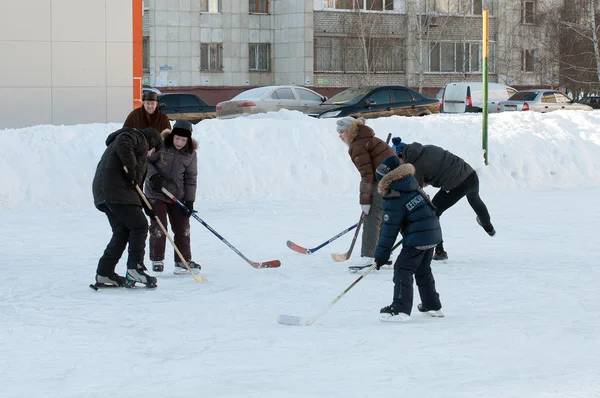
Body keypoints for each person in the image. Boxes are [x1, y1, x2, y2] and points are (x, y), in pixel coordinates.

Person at [393, 137, 495, 261]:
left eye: (398, 161)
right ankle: (488, 226)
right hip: (470, 175)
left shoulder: (415, 166)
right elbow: (439, 167)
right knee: (475, 199)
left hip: (457, 185)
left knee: (433, 212)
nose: (398, 165)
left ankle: (440, 251)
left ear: (401, 155)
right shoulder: (427, 148)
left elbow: (415, 191)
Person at [373, 156, 444, 321]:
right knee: (422, 269)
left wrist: (381, 254)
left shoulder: (393, 195)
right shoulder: (412, 184)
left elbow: (389, 231)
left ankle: (400, 308)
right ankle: (432, 305)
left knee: (402, 269)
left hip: (419, 237)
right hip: (433, 233)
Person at [92, 127, 163, 288]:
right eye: (152, 150)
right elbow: (125, 140)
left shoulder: (130, 150)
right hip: (115, 191)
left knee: (122, 232)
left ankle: (104, 273)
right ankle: (135, 268)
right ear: (151, 143)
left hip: (106, 193)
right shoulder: (137, 137)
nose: (150, 154)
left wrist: (147, 206)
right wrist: (131, 167)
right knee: (140, 226)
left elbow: (134, 185)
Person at [337, 116, 396, 265]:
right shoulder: (367, 138)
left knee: (372, 215)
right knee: (383, 215)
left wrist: (365, 201)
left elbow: (367, 175)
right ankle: (383, 254)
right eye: (338, 132)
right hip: (395, 179)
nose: (340, 135)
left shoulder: (358, 145)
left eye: (342, 132)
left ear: (350, 130)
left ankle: (368, 256)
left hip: (386, 180)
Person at [144, 120, 201, 274]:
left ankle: (183, 261)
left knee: (183, 228)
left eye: (183, 140)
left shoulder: (190, 154)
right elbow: (146, 161)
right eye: (177, 138)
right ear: (172, 135)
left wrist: (189, 201)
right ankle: (157, 259)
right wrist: (153, 177)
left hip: (177, 195)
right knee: (159, 226)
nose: (180, 142)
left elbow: (191, 178)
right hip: (156, 192)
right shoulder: (161, 145)